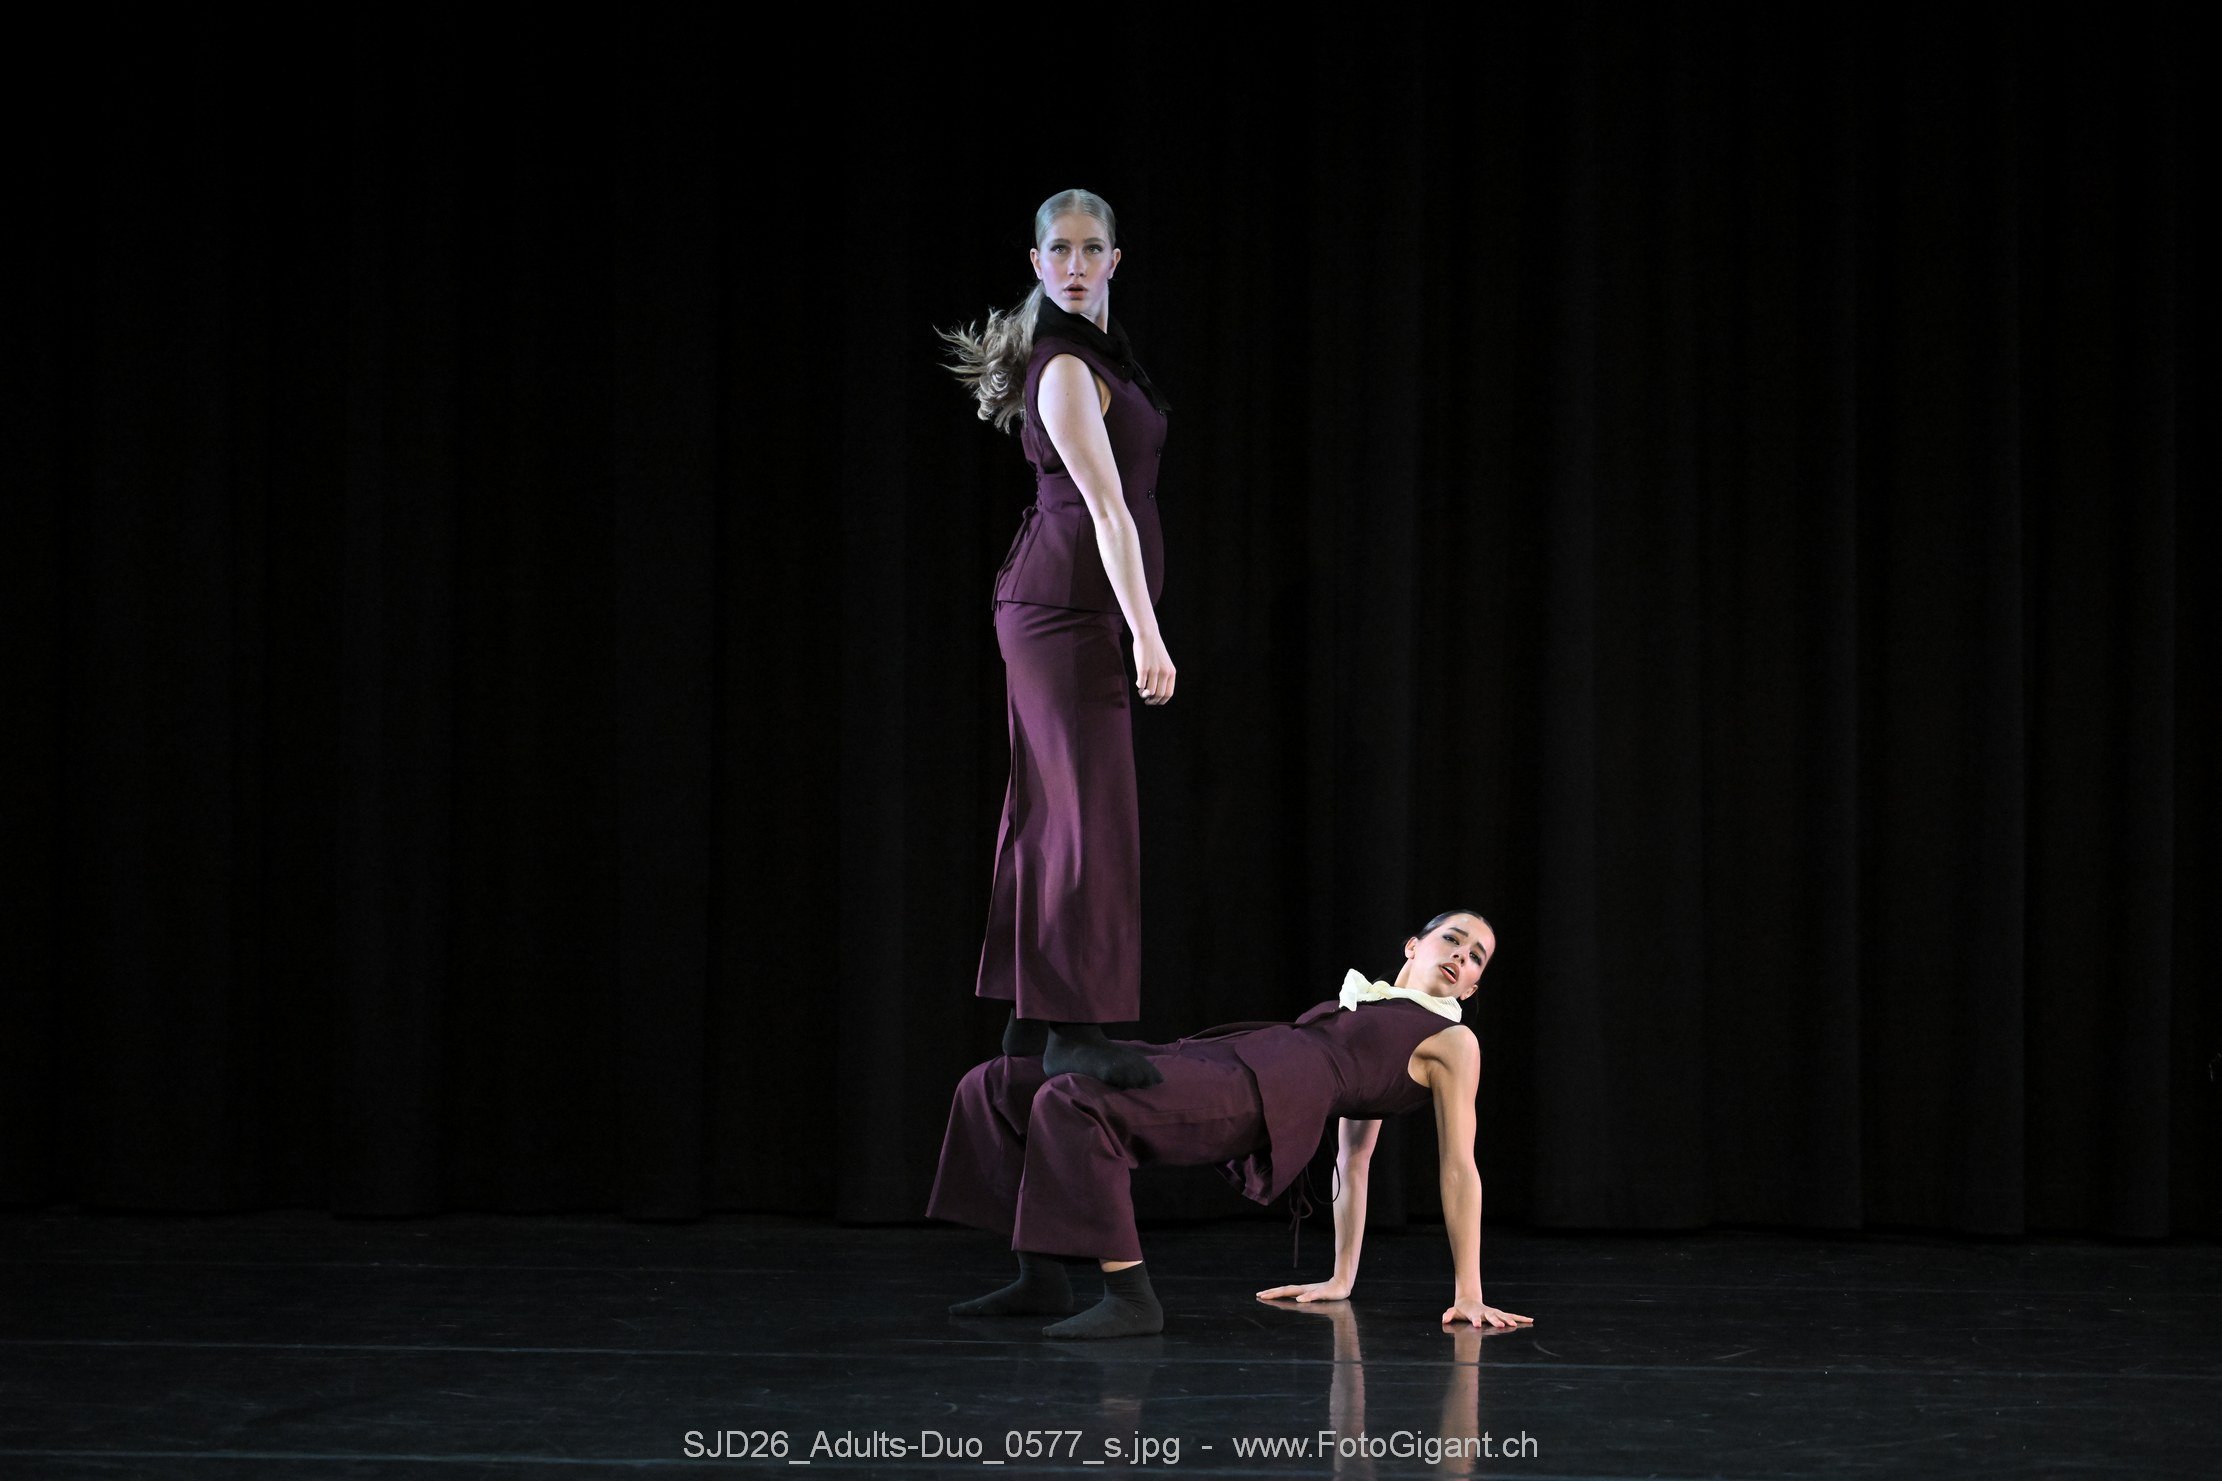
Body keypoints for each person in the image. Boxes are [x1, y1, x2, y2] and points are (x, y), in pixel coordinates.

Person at [927, 911, 1535, 1339]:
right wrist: (1341, 1278)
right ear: (1413, 946)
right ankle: (1040, 1275)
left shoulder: (1453, 1040)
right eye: (1453, 940)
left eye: (1474, 958)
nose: (1460, 956)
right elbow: (1353, 1160)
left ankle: (1132, 1298)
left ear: (1474, 985)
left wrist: (1469, 1292)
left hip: (1264, 1092)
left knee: (1072, 1101)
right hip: (1229, 1055)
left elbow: (1460, 1167)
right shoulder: (1365, 1003)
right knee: (998, 1081)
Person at [939, 188, 1175, 1090]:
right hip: (1062, 613)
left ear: (1115, 260)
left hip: (1068, 609)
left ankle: (1030, 1018)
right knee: (1086, 818)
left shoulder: (1102, 357)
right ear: (1037, 263)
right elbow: (1106, 509)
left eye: (1091, 249)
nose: (1076, 265)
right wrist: (1148, 634)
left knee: (1053, 812)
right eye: (1060, 251)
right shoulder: (1068, 368)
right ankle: (1075, 1028)